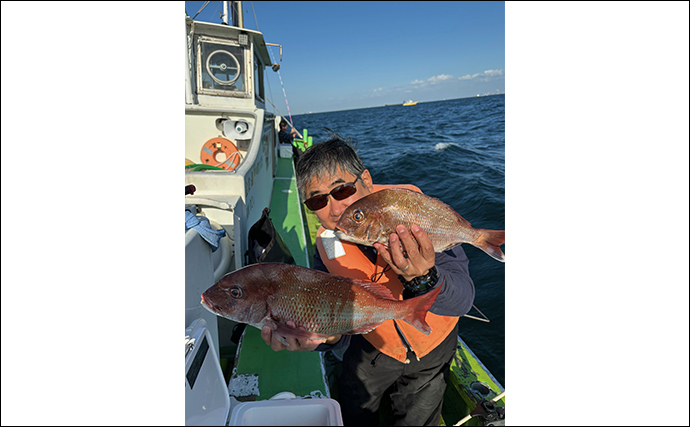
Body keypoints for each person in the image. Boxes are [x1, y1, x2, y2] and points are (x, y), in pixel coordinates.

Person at [261, 134, 475, 426]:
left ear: (366, 180)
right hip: (371, 350)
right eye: (318, 201)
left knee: (419, 417)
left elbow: (463, 299)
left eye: (342, 190)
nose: (335, 209)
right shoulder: (325, 249)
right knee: (354, 408)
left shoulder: (417, 216)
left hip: (433, 346)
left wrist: (425, 278)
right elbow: (335, 330)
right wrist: (328, 338)